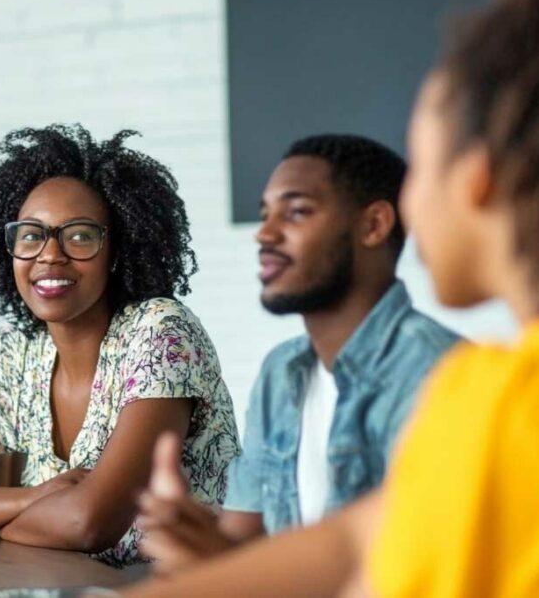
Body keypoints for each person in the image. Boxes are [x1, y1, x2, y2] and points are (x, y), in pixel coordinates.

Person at [126, 0, 539, 597]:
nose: (412, 199)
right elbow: (359, 534)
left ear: (481, 181)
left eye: (421, 164)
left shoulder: (514, 402)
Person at [0, 124, 239, 567]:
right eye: (30, 235)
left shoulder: (160, 334)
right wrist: (40, 498)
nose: (50, 254)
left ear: (116, 250)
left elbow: (88, 524)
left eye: (79, 235)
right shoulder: (13, 353)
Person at [137, 135, 460, 570]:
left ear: (373, 225)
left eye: (298, 212)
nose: (265, 234)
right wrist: (191, 536)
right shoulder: (280, 373)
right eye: (265, 214)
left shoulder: (440, 376)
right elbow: (240, 545)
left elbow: (414, 573)